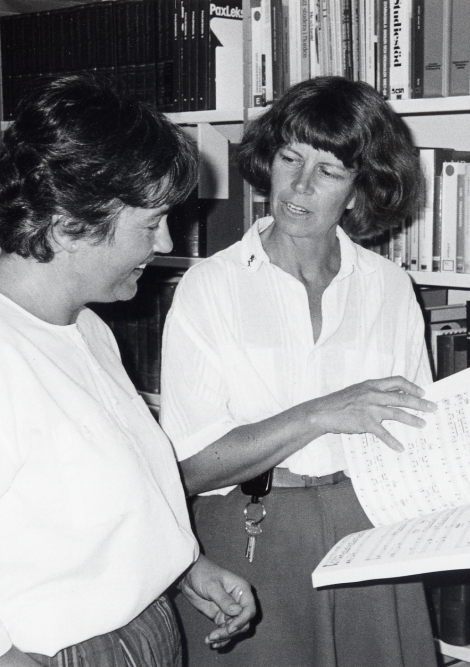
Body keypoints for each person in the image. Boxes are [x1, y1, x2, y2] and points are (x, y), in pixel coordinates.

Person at [0, 73, 256, 667]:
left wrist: (181, 569)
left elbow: (86, 511)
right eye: (150, 224)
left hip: (143, 633)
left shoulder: (85, 327)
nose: (167, 241)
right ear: (71, 224)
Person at [160, 76, 439, 667]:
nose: (300, 185)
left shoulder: (390, 288)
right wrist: (320, 414)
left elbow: (421, 439)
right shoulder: (209, 287)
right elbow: (188, 469)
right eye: (290, 158)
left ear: (360, 191)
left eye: (329, 172)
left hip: (369, 535)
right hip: (250, 536)